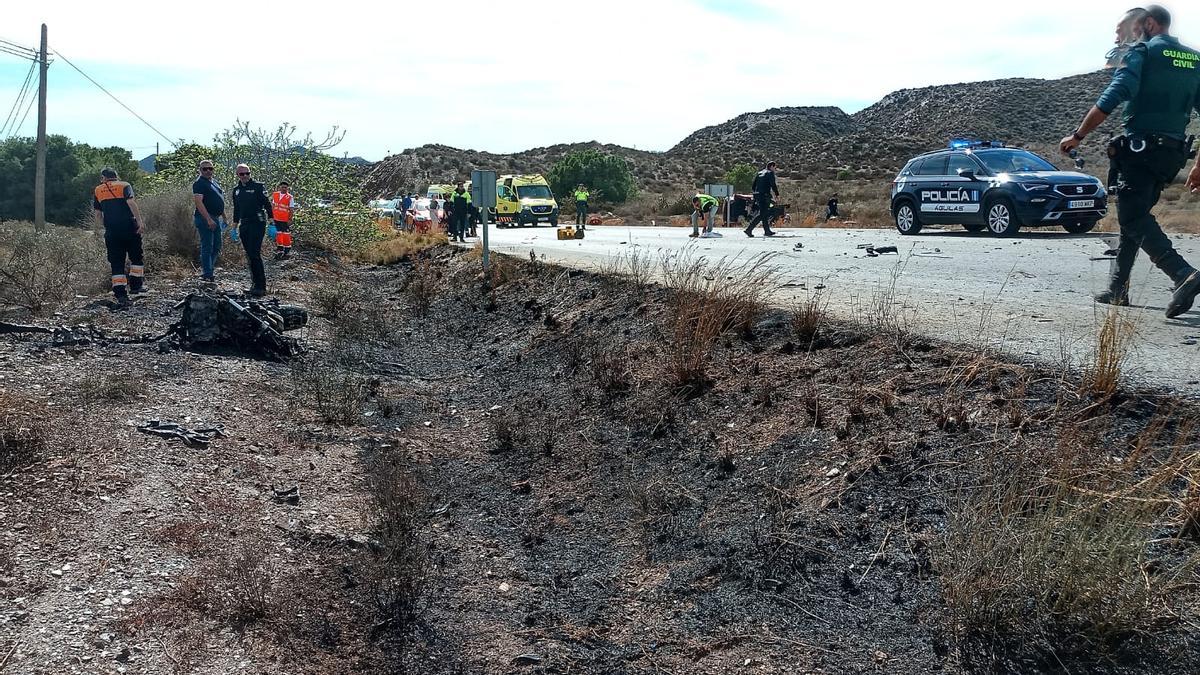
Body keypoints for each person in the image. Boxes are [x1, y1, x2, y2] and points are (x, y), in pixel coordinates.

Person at [1061, 4, 1200, 319]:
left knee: (1134, 217)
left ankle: (1182, 273)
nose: (1119, 35)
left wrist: (1077, 135)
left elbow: (1116, 93)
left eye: (1122, 29)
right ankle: (1118, 289)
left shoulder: (1142, 52)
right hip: (1172, 154)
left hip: (1141, 150)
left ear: (1148, 24)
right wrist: (1199, 164)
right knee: (1132, 217)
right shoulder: (1195, 58)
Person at [93, 168, 145, 305]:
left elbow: (98, 214)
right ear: (116, 176)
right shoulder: (124, 185)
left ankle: (120, 292)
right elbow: (131, 202)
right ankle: (136, 286)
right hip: (129, 227)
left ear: (104, 177)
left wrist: (104, 226)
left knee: (116, 262)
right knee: (136, 257)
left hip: (112, 231)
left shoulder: (98, 190)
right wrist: (139, 222)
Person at [231, 164, 274, 296]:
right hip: (244, 224)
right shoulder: (236, 190)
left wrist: (272, 222)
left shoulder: (258, 186)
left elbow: (267, 204)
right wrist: (234, 227)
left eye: (247, 173)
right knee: (249, 255)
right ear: (237, 175)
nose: (245, 176)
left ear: (250, 173)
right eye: (241, 174)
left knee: (255, 253)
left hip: (257, 222)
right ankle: (254, 284)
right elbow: (237, 209)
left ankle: (261, 286)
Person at [192, 160, 226, 283]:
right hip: (205, 218)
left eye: (210, 168)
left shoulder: (214, 183)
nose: (208, 171)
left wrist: (224, 216)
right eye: (204, 169)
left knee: (217, 246)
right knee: (207, 245)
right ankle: (208, 273)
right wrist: (208, 219)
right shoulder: (199, 183)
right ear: (200, 170)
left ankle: (209, 268)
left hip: (216, 217)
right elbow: (198, 202)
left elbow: (219, 199)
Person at [746, 161, 779, 237]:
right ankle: (749, 229)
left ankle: (767, 231)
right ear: (771, 166)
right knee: (762, 213)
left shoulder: (759, 173)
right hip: (765, 195)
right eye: (774, 167)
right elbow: (773, 185)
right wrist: (777, 194)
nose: (775, 169)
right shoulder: (770, 173)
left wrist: (755, 193)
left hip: (757, 195)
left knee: (764, 212)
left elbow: (753, 186)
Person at [270, 181, 297, 259]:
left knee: (286, 234)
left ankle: (287, 249)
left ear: (287, 188)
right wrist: (271, 217)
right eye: (283, 187)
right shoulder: (275, 194)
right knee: (278, 233)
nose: (284, 189)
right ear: (280, 187)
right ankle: (280, 248)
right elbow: (273, 205)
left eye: (285, 187)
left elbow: (291, 209)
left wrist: (290, 219)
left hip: (284, 219)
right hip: (276, 218)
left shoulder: (290, 197)